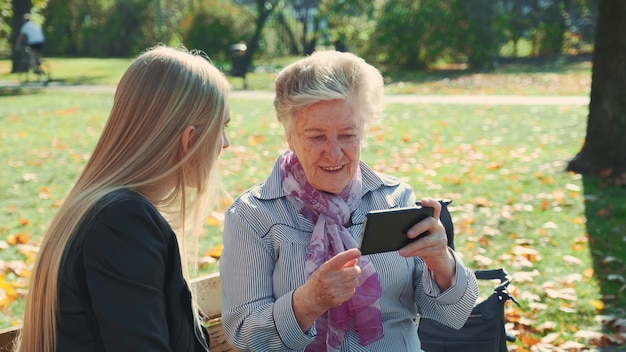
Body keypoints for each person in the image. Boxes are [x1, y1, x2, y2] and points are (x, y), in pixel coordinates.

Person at [219, 50, 479, 351]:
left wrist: (442, 263)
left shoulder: (394, 198)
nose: (334, 152)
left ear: (363, 133)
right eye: (316, 137)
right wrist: (310, 300)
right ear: (289, 137)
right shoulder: (253, 215)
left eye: (347, 135)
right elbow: (244, 334)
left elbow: (455, 314)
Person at [14, 45, 231, 352]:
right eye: (221, 129)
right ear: (189, 140)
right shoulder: (123, 223)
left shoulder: (102, 209)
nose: (226, 144)